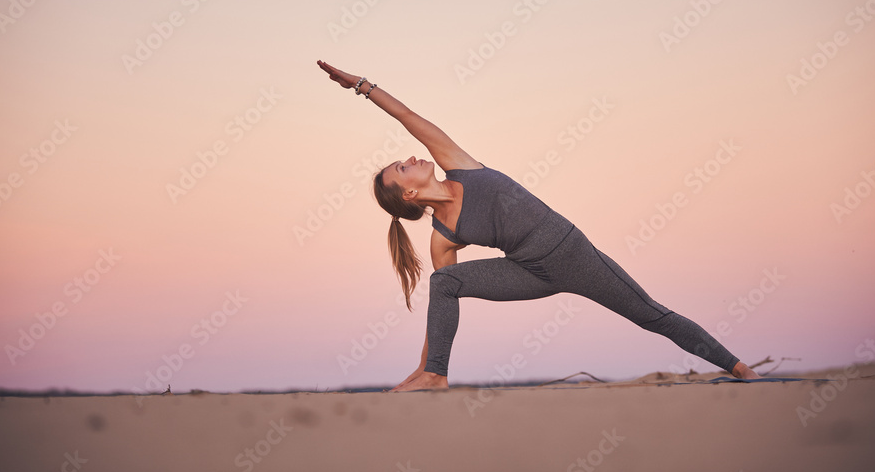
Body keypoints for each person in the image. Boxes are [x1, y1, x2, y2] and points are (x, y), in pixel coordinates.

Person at [316, 60, 761, 391]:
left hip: (571, 253)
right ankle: (436, 375)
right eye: (403, 167)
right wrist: (425, 365)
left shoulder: (459, 165)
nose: (411, 157)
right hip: (530, 272)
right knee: (445, 283)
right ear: (408, 194)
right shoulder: (444, 237)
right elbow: (441, 309)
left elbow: (409, 118)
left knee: (650, 315)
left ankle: (739, 368)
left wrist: (361, 86)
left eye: (406, 157)